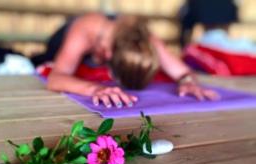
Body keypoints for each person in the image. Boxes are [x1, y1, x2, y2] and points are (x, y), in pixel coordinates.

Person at [39, 13, 219, 108]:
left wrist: (188, 82)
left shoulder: (145, 39)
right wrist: (96, 89)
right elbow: (56, 78)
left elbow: (183, 72)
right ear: (108, 56)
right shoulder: (87, 27)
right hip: (58, 44)